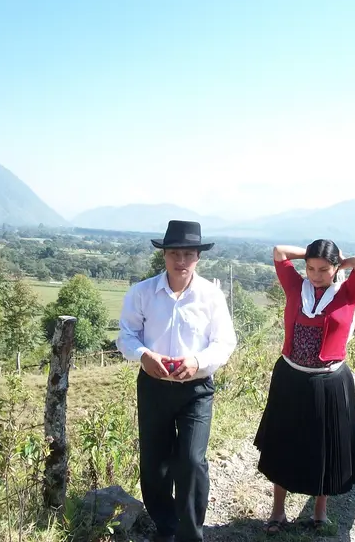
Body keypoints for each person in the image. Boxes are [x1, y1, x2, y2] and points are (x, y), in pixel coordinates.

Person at [116, 220, 237, 542]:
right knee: (154, 463)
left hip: (196, 389)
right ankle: (166, 528)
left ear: (198, 257)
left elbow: (225, 342)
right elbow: (126, 335)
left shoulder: (210, 296)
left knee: (192, 461)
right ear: (164, 255)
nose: (180, 260)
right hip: (153, 387)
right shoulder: (142, 293)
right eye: (174, 253)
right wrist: (143, 354)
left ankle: (190, 535)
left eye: (188, 254)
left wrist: (197, 361)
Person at [253, 239, 355, 534]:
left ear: (335, 269)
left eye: (323, 269)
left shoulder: (347, 292)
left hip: (329, 381)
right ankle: (277, 512)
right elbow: (279, 251)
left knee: (324, 447)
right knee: (284, 442)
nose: (316, 275)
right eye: (310, 268)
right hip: (291, 377)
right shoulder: (296, 287)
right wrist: (313, 254)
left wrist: (341, 261)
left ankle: (320, 512)